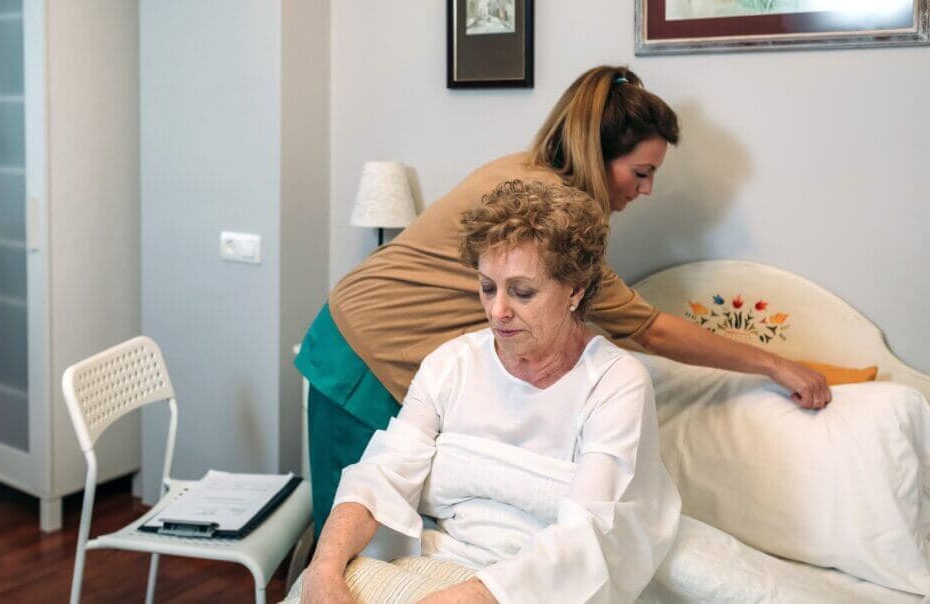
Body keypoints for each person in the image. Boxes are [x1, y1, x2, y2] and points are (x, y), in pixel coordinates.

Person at [295, 64, 830, 537]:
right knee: (355, 532)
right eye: (640, 174)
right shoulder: (546, 210)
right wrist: (774, 363)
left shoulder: (530, 174)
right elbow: (653, 330)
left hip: (375, 337)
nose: (645, 192)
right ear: (599, 157)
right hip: (363, 344)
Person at [297, 180, 681, 603]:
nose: (498, 311)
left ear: (575, 290)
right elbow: (382, 474)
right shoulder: (451, 364)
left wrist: (462, 598)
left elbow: (588, 533)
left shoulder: (615, 383)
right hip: (435, 562)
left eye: (522, 292)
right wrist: (324, 570)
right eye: (487, 287)